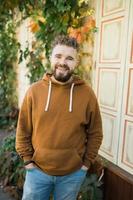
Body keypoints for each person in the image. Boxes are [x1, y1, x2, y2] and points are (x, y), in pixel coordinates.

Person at [16, 35, 103, 200]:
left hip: (72, 174)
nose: (63, 62)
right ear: (51, 58)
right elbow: (23, 129)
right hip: (37, 172)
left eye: (69, 58)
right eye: (58, 56)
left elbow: (95, 132)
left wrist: (86, 164)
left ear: (76, 62)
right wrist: (28, 161)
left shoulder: (87, 94)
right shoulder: (34, 91)